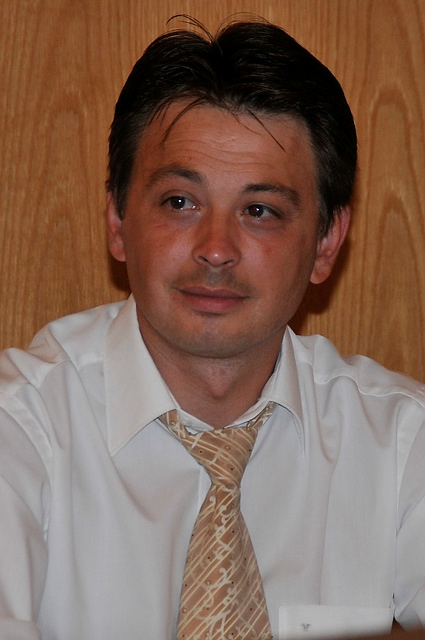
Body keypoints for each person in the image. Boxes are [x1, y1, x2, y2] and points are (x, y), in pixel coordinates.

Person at [0, 17, 424, 640]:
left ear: (327, 242)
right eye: (180, 202)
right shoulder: (19, 429)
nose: (216, 248)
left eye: (260, 211)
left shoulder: (403, 444)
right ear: (117, 218)